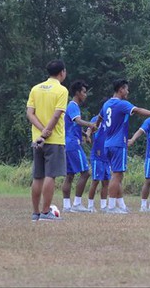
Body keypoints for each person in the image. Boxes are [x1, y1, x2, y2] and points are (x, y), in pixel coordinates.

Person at [101, 79, 150, 214]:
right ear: (121, 90)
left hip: (107, 143)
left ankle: (121, 206)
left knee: (117, 175)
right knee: (117, 175)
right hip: (118, 143)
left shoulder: (106, 104)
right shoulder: (121, 104)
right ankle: (111, 207)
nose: (128, 92)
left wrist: (93, 127)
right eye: (126, 89)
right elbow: (138, 110)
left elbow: (100, 117)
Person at [26, 60, 68, 221]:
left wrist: (41, 132)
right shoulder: (61, 90)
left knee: (38, 176)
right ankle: (45, 212)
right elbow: (57, 115)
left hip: (37, 139)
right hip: (54, 139)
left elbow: (30, 114)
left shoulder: (35, 89)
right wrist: (47, 133)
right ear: (62, 72)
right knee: (50, 175)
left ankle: (35, 213)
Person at [62, 80, 98, 213]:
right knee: (86, 172)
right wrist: (90, 125)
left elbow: (72, 125)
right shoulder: (73, 106)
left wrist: (84, 134)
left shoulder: (71, 106)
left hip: (68, 142)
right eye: (84, 92)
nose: (85, 95)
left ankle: (66, 206)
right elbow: (77, 121)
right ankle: (77, 203)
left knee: (70, 175)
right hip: (73, 144)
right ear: (77, 93)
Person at [86, 98, 110, 212]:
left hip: (108, 157)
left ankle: (103, 205)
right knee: (95, 180)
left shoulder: (111, 121)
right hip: (97, 156)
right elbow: (89, 130)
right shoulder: (96, 119)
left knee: (106, 182)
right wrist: (88, 136)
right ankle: (90, 205)